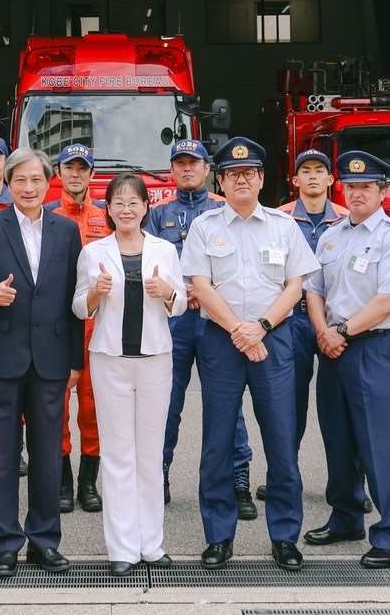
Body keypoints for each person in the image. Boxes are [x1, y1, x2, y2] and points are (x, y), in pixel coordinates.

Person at [181, 136, 319, 572]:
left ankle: (284, 537)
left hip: (272, 338)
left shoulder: (283, 226)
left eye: (249, 173)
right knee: (217, 444)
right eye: (232, 174)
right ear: (220, 181)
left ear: (261, 179)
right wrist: (239, 331)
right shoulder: (205, 226)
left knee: (281, 441)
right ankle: (219, 537)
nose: (241, 179)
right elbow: (199, 286)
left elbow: (296, 286)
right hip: (221, 341)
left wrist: (258, 328)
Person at [0, 147, 84, 579]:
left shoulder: (67, 231)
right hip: (3, 359)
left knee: (49, 455)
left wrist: (74, 361)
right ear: (8, 184)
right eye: (20, 180)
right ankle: (6, 544)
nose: (28, 188)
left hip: (50, 361)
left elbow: (73, 301)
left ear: (49, 181)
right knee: (2, 455)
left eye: (36, 179)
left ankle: (45, 541)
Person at [304, 151, 390, 568]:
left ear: (383, 192)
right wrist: (322, 332)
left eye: (366, 186)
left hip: (375, 347)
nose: (357, 194)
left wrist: (342, 332)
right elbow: (313, 289)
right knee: (339, 436)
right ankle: (346, 515)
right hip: (332, 347)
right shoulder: (330, 235)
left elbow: (389, 299)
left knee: (381, 442)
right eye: (350, 187)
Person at [72, 173, 185, 576]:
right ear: (108, 208)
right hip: (110, 359)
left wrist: (167, 293)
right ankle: (121, 547)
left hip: (155, 357)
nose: (125, 209)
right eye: (118, 202)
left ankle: (151, 544)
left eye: (133, 202)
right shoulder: (94, 252)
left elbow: (182, 303)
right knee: (118, 454)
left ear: (145, 207)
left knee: (150, 454)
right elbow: (79, 308)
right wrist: (97, 292)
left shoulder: (165, 249)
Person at [146, 138, 255, 517]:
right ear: (172, 170)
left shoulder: (225, 210)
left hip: (217, 320)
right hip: (173, 320)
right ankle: (159, 474)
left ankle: (238, 478)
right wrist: (182, 291)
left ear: (209, 170)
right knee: (167, 402)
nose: (187, 169)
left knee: (227, 404)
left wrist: (204, 294)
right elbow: (150, 262)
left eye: (194, 163)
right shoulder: (158, 215)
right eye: (180, 163)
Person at [267, 149, 346, 504]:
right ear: (294, 181)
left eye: (320, 171)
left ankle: (346, 484)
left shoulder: (347, 219)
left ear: (331, 180)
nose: (313, 177)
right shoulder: (279, 220)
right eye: (305, 171)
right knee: (288, 405)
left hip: (337, 323)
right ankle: (284, 479)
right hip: (292, 319)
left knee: (341, 407)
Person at [47, 143, 110, 513]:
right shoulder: (47, 215)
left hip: (95, 323)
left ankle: (88, 483)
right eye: (69, 168)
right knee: (54, 409)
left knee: (93, 409)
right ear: (58, 173)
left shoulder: (108, 216)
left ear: (91, 174)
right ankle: (62, 483)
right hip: (56, 325)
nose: (75, 174)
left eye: (82, 168)